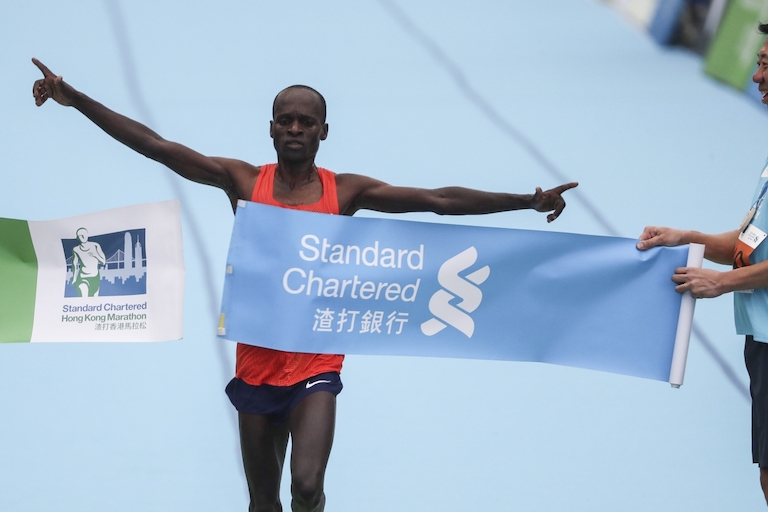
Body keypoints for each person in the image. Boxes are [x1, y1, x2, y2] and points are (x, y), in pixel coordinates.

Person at [31, 57, 578, 512]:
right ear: (270, 128)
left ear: (323, 131)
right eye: (285, 120)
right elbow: (157, 146)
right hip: (255, 365)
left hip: (316, 363)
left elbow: (437, 200)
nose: (295, 128)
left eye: (306, 121)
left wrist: (524, 201)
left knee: (307, 486)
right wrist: (76, 100)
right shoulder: (244, 182)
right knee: (264, 502)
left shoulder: (346, 192)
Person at [636, 23, 768, 507]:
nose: (755, 76)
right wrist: (688, 238)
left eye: (766, 65)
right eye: (756, 62)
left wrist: (724, 282)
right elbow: (751, 242)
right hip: (762, 339)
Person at [70, 227, 106, 297]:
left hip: (95, 277)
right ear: (78, 237)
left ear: (87, 234)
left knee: (94, 302)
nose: (83, 236)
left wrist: (95, 255)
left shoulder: (95, 245)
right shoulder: (76, 249)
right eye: (80, 235)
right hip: (82, 277)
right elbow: (74, 264)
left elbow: (103, 262)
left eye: (84, 234)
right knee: (84, 300)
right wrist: (74, 278)